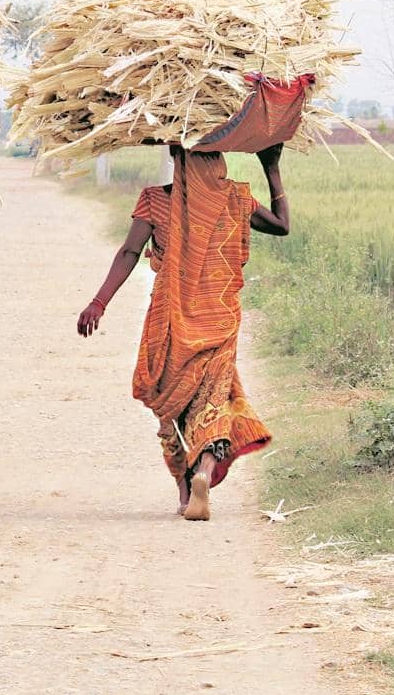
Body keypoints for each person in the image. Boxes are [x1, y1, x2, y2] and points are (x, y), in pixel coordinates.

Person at [77, 141, 290, 521]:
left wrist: (99, 302)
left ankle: (183, 491)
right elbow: (281, 226)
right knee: (214, 401)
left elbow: (129, 252)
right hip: (219, 320)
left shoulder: (155, 201)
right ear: (217, 160)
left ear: (176, 160)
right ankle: (203, 471)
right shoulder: (236, 198)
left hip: (169, 321)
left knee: (168, 401)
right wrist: (271, 167)